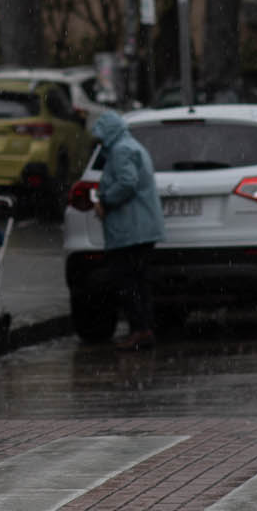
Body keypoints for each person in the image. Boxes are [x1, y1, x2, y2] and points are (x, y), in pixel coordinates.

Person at [90, 109, 165, 349]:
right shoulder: (131, 145)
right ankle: (144, 329)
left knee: (128, 281)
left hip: (130, 230)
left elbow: (127, 183)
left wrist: (105, 201)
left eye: (101, 136)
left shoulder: (121, 150)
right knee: (139, 281)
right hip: (139, 229)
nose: (99, 141)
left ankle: (139, 330)